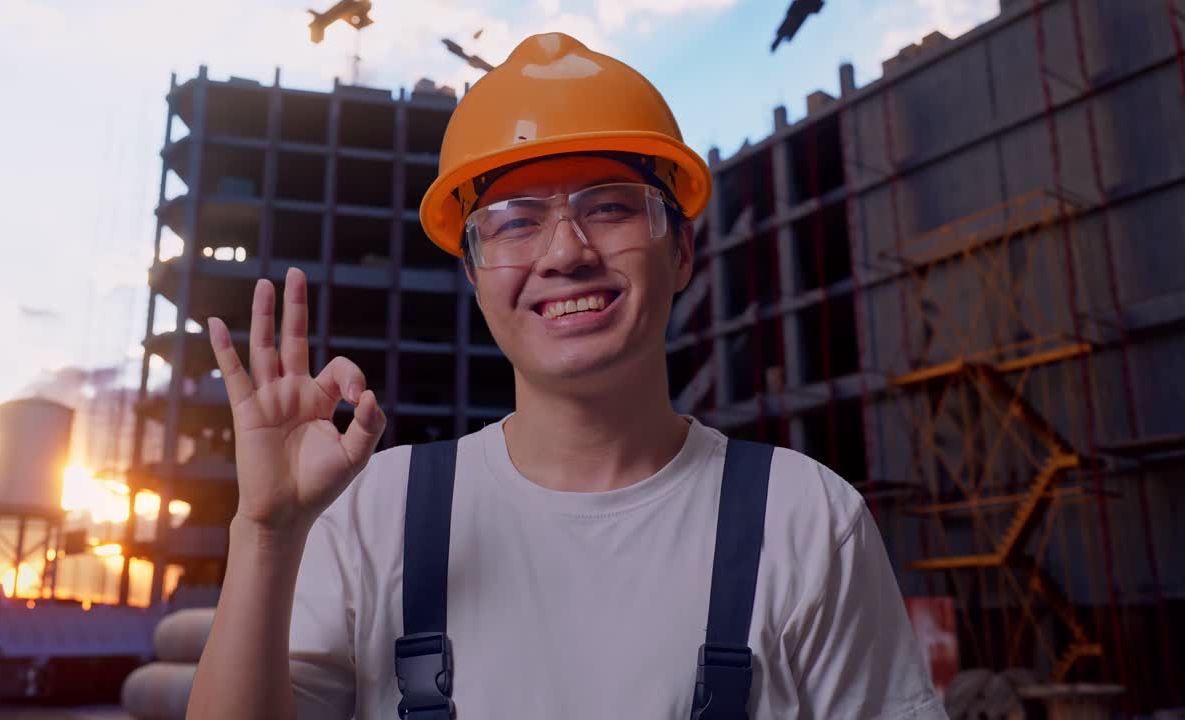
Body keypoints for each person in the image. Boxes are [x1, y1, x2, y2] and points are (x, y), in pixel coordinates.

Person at [187, 32, 944, 719]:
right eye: (516, 221)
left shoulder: (804, 521)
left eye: (610, 207)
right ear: (475, 276)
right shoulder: (374, 516)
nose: (566, 251)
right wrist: (266, 533)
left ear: (682, 252)